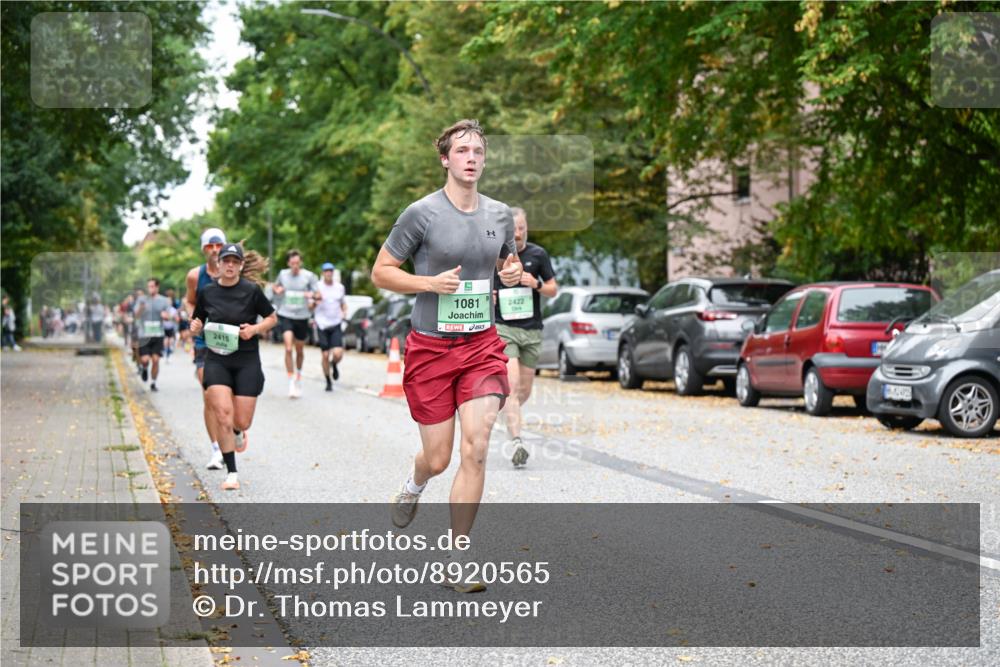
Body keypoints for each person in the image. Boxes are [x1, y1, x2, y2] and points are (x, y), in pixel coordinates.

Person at [371, 119, 522, 591]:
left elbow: (505, 264)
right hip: (431, 348)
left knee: (476, 448)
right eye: (462, 150)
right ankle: (417, 483)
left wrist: (512, 274)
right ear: (445, 158)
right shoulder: (421, 214)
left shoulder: (499, 215)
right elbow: (380, 272)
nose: (471, 157)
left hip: (480, 346)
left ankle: (456, 561)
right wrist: (428, 284)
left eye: (478, 150)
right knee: (438, 459)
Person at [190, 243, 277, 491]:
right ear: (218, 264)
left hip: (247, 360)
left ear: (240, 265)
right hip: (217, 359)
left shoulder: (251, 291)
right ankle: (232, 473)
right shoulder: (207, 292)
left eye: (234, 261)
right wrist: (194, 328)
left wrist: (255, 329)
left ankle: (239, 431)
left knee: (242, 420)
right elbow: (197, 321)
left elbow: (272, 318)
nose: (229, 265)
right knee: (223, 415)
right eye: (225, 261)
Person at [493, 208, 558, 467]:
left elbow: (554, 289)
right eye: (513, 229)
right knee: (512, 383)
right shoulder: (495, 256)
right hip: (504, 328)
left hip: (531, 330)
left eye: (522, 228)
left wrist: (537, 284)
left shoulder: (538, 254)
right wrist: (490, 295)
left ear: (526, 228)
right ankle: (517, 441)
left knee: (523, 391)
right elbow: (479, 282)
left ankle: (506, 415)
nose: (518, 233)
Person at [185, 227, 227, 470]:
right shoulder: (195, 276)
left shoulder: (235, 270)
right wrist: (194, 319)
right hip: (204, 341)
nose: (214, 250)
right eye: (209, 246)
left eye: (218, 245)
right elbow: (190, 300)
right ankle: (215, 449)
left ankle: (233, 428)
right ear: (203, 249)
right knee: (209, 394)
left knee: (229, 396)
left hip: (231, 341)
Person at [272, 249, 320, 398]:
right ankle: (291, 380)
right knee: (288, 348)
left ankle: (298, 375)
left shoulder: (309, 276)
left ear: (301, 263)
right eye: (292, 263)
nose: (295, 266)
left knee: (299, 350)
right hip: (286, 314)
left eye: (297, 263)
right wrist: (277, 289)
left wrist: (310, 295)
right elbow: (274, 287)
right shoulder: (282, 274)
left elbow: (318, 295)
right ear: (288, 264)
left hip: (302, 316)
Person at [314, 262, 348, 391]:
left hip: (335, 323)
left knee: (338, 353)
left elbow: (343, 304)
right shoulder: (317, 287)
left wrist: (344, 311)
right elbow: (310, 306)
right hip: (322, 324)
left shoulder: (339, 287)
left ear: (333, 273)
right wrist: (315, 301)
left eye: (330, 271)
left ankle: (334, 364)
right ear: (323, 273)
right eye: (326, 271)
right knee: (324, 355)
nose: (328, 273)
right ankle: (328, 381)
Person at [134, 278, 170, 392]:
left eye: (152, 286)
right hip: (144, 334)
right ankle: (144, 368)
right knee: (145, 359)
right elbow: (136, 315)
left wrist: (166, 315)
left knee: (155, 360)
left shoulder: (164, 300)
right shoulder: (141, 300)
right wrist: (141, 308)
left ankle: (153, 382)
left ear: (157, 287)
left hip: (158, 334)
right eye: (149, 286)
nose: (150, 289)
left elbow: (169, 314)